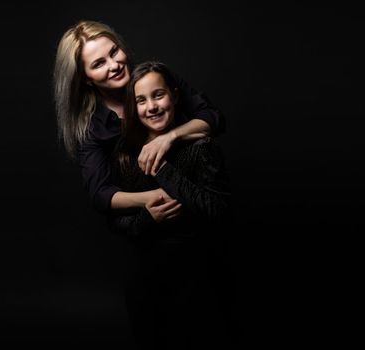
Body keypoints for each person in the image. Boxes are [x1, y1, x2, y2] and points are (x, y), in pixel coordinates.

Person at [108, 61, 235, 349]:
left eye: (158, 95)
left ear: (175, 97)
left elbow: (218, 211)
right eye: (141, 100)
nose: (151, 107)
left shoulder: (201, 148)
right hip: (143, 280)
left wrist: (163, 170)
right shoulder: (125, 154)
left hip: (196, 278)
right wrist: (146, 218)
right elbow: (116, 222)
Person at [53, 20, 225, 215]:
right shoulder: (93, 129)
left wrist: (169, 137)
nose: (114, 65)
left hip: (204, 203)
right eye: (99, 64)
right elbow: (100, 193)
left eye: (114, 52)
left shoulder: (155, 77)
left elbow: (213, 117)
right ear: (86, 78)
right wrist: (153, 198)